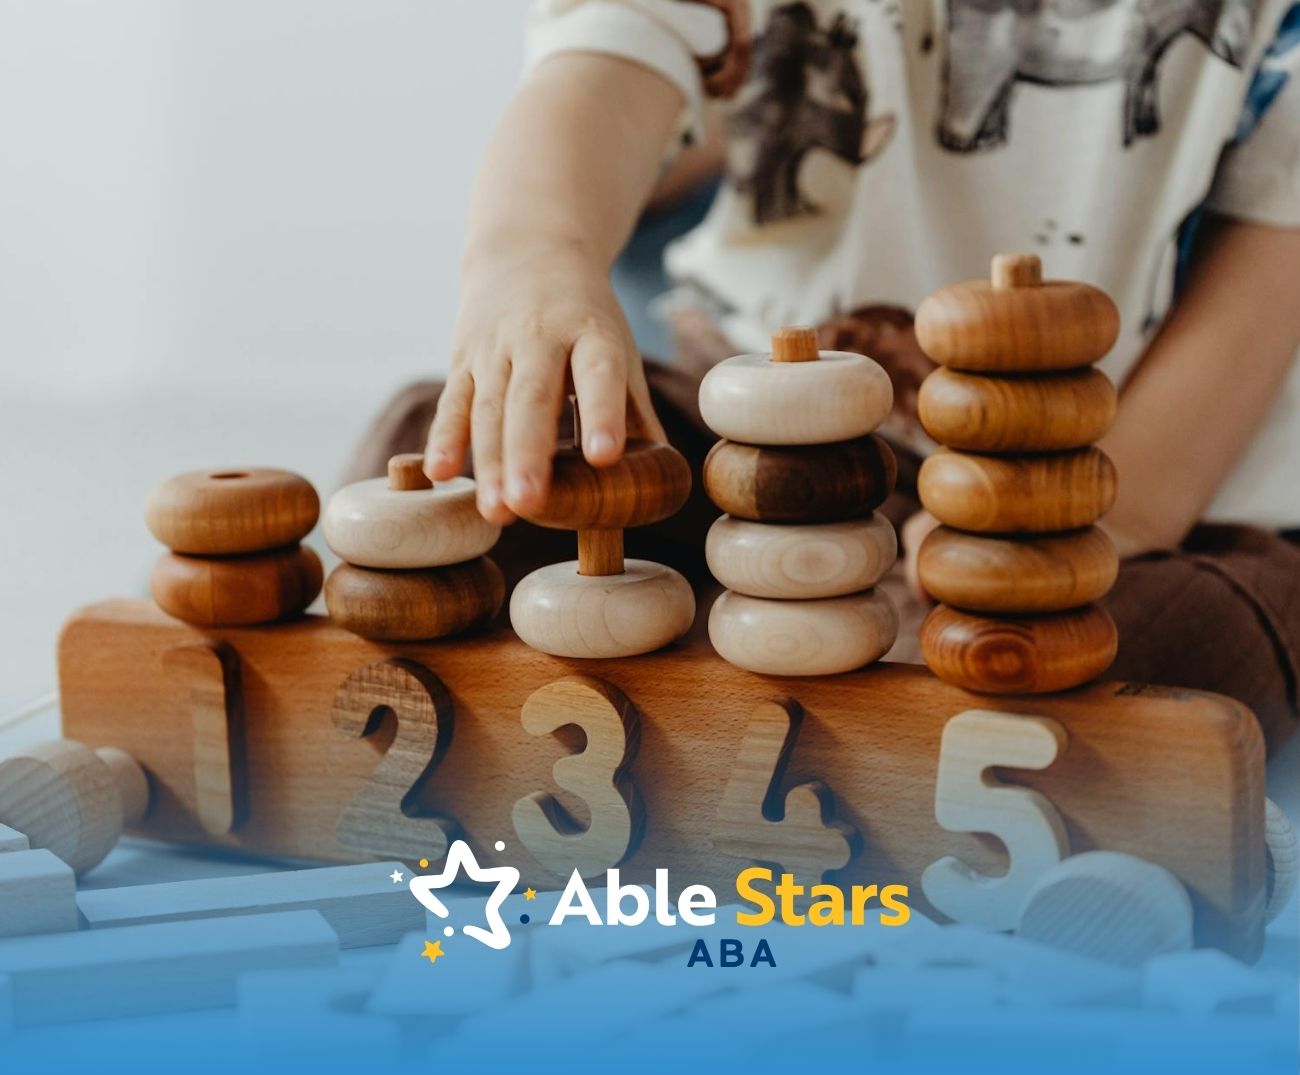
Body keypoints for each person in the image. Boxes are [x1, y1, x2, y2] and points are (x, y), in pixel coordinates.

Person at [348, 1, 1300, 752]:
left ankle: (827, 702)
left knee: (1196, 632)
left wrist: (1080, 528)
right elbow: (612, 57)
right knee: (436, 466)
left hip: (1107, 490)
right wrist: (532, 253)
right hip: (752, 445)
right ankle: (737, 676)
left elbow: (1256, 295)